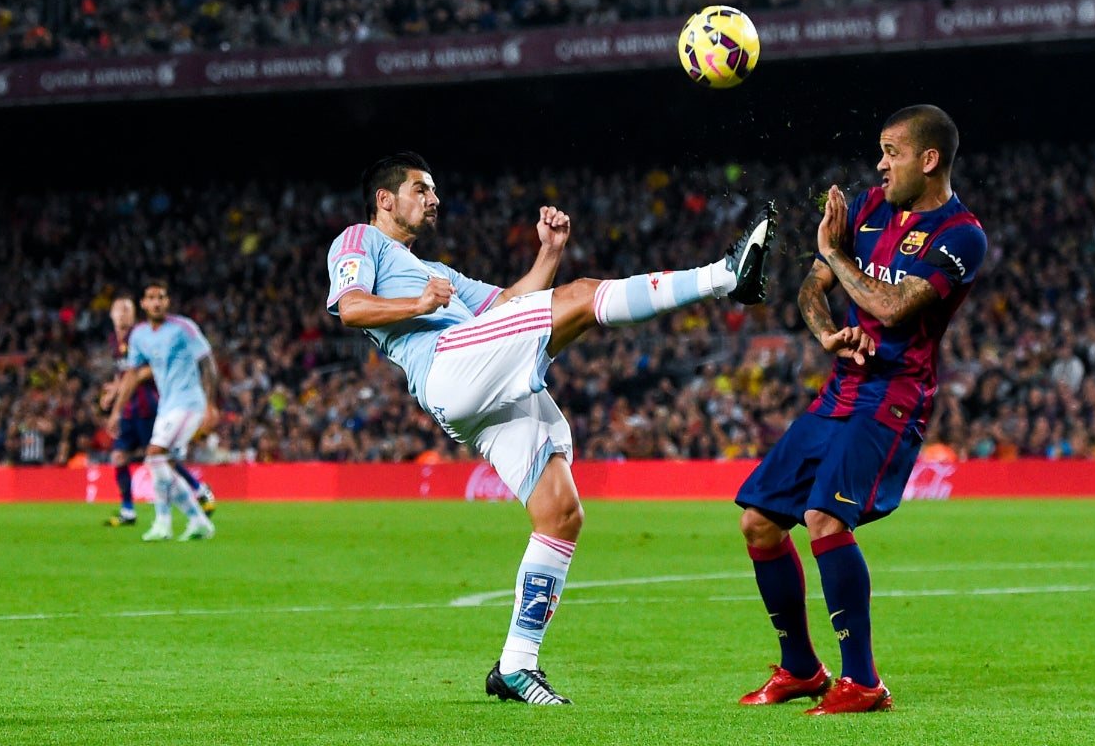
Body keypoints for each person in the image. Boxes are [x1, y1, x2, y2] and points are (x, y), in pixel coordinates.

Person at [326, 151, 776, 705]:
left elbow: (509, 305)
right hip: (447, 365)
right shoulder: (359, 241)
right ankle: (724, 277)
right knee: (585, 296)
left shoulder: (437, 274)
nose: (434, 199)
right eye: (422, 189)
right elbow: (350, 308)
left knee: (560, 513)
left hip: (479, 373)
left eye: (434, 190)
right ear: (385, 199)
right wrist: (416, 303)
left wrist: (549, 252)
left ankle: (516, 666)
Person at [736, 105, 987, 714]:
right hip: (841, 388)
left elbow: (896, 306)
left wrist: (833, 251)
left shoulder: (962, 236)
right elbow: (812, 289)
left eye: (891, 152)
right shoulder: (869, 208)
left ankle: (863, 681)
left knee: (825, 518)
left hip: (895, 396)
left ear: (928, 161)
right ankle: (801, 669)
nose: (880, 164)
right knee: (759, 522)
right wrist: (826, 334)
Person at [106, 280, 220, 542]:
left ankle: (163, 523)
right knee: (161, 462)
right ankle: (198, 520)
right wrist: (116, 411)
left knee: (155, 454)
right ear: (144, 304)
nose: (157, 302)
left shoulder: (183, 328)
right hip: (167, 405)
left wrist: (211, 404)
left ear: (167, 302)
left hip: (190, 402)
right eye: (151, 298)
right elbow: (132, 375)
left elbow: (208, 363)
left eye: (161, 297)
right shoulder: (139, 336)